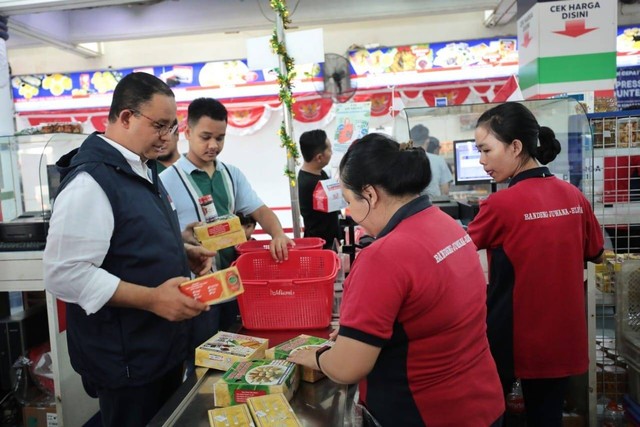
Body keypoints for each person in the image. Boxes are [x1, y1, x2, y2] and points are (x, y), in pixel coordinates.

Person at [288, 133, 504, 427]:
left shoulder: (383, 256)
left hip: (423, 413)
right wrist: (358, 335)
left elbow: (347, 367)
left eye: (350, 201)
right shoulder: (447, 225)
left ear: (371, 195)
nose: (351, 213)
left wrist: (315, 355)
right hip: (483, 403)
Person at [43, 72, 215, 427]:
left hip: (158, 348)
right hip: (125, 358)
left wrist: (183, 251)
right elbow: (65, 273)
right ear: (125, 117)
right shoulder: (91, 181)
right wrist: (152, 298)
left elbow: (130, 241)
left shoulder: (141, 168)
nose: (166, 137)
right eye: (159, 126)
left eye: (171, 127)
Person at [466, 102, 604, 427]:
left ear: (515, 147)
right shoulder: (573, 196)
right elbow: (597, 253)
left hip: (513, 338)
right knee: (547, 418)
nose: (482, 161)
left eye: (486, 150)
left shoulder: (499, 204)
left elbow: (459, 249)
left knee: (494, 416)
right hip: (562, 338)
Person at [160, 97, 293, 344]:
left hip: (234, 286)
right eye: (205, 136)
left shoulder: (231, 174)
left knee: (237, 350)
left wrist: (278, 234)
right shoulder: (167, 181)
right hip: (196, 291)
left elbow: (260, 210)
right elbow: (159, 235)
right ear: (187, 132)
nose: (213, 145)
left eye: (220, 138)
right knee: (201, 359)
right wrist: (183, 238)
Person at [297, 129, 342, 249]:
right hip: (320, 245)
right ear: (319, 157)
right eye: (329, 150)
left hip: (330, 239)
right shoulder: (310, 183)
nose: (331, 153)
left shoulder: (320, 173)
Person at [410, 124, 452, 198]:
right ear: (427, 141)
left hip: (411, 208)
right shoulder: (439, 160)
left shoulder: (403, 160)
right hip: (434, 206)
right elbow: (445, 191)